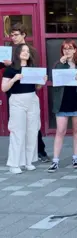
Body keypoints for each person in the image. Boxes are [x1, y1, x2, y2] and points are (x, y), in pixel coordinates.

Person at [0, 23, 51, 163]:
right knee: (17, 125)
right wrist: (6, 64)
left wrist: (40, 80)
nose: (13, 38)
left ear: (23, 35)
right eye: (11, 35)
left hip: (28, 90)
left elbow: (34, 68)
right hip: (14, 91)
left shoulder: (32, 51)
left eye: (16, 35)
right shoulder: (8, 50)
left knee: (33, 124)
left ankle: (39, 151)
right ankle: (18, 155)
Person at [48, 39, 77, 172]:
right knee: (60, 131)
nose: (67, 51)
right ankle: (55, 161)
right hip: (62, 102)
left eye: (70, 48)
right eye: (65, 49)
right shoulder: (58, 64)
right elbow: (52, 80)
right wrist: (60, 64)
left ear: (75, 50)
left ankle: (75, 158)